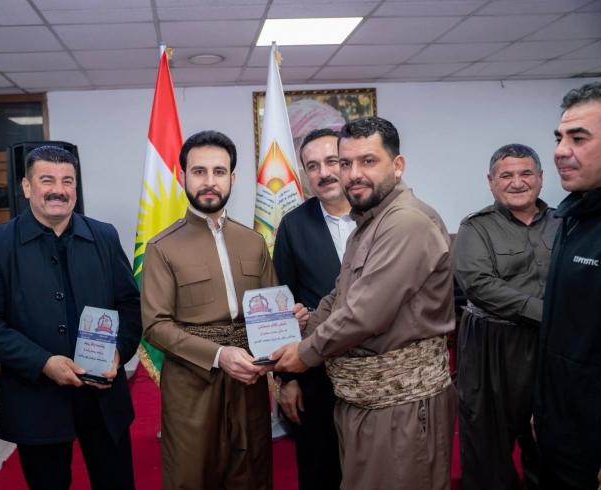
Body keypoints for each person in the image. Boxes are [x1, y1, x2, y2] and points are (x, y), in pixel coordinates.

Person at [271, 117, 457, 489]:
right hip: (365, 402)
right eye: (346, 163)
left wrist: (304, 353)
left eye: (368, 161)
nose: (353, 174)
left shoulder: (406, 222)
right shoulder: (369, 223)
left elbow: (364, 314)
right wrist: (294, 337)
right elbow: (338, 297)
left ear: (397, 165)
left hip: (401, 404)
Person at [0, 146, 141, 490]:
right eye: (47, 180)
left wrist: (119, 352)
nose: (58, 189)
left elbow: (130, 304)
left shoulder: (104, 235)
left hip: (103, 396)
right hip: (36, 397)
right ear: (27, 186)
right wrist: (43, 363)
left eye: (67, 181)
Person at [141, 130, 308, 490]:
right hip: (192, 384)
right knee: (191, 477)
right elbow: (155, 326)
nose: (209, 181)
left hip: (249, 380)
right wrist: (219, 355)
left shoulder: (254, 242)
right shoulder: (162, 247)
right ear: (182, 177)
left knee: (251, 474)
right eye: (199, 171)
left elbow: (272, 315)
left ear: (232, 178)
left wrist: (288, 323)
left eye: (219, 171)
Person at [455, 144, 558, 490]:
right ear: (491, 181)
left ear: (540, 178)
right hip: (492, 347)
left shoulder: (566, 223)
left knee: (552, 444)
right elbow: (479, 285)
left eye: (526, 173)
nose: (517, 182)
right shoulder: (475, 227)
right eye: (506, 175)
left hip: (554, 348)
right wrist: (552, 314)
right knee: (487, 449)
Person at [272, 127, 351, 489]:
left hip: (379, 373)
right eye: (313, 166)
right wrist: (287, 380)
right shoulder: (293, 225)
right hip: (317, 374)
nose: (324, 173)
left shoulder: (379, 218)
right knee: (321, 471)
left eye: (332, 161)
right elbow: (283, 303)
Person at [533, 81, 601, 490]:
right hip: (560, 429)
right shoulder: (572, 217)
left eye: (578, 138)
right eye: (559, 138)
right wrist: (544, 411)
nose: (560, 151)